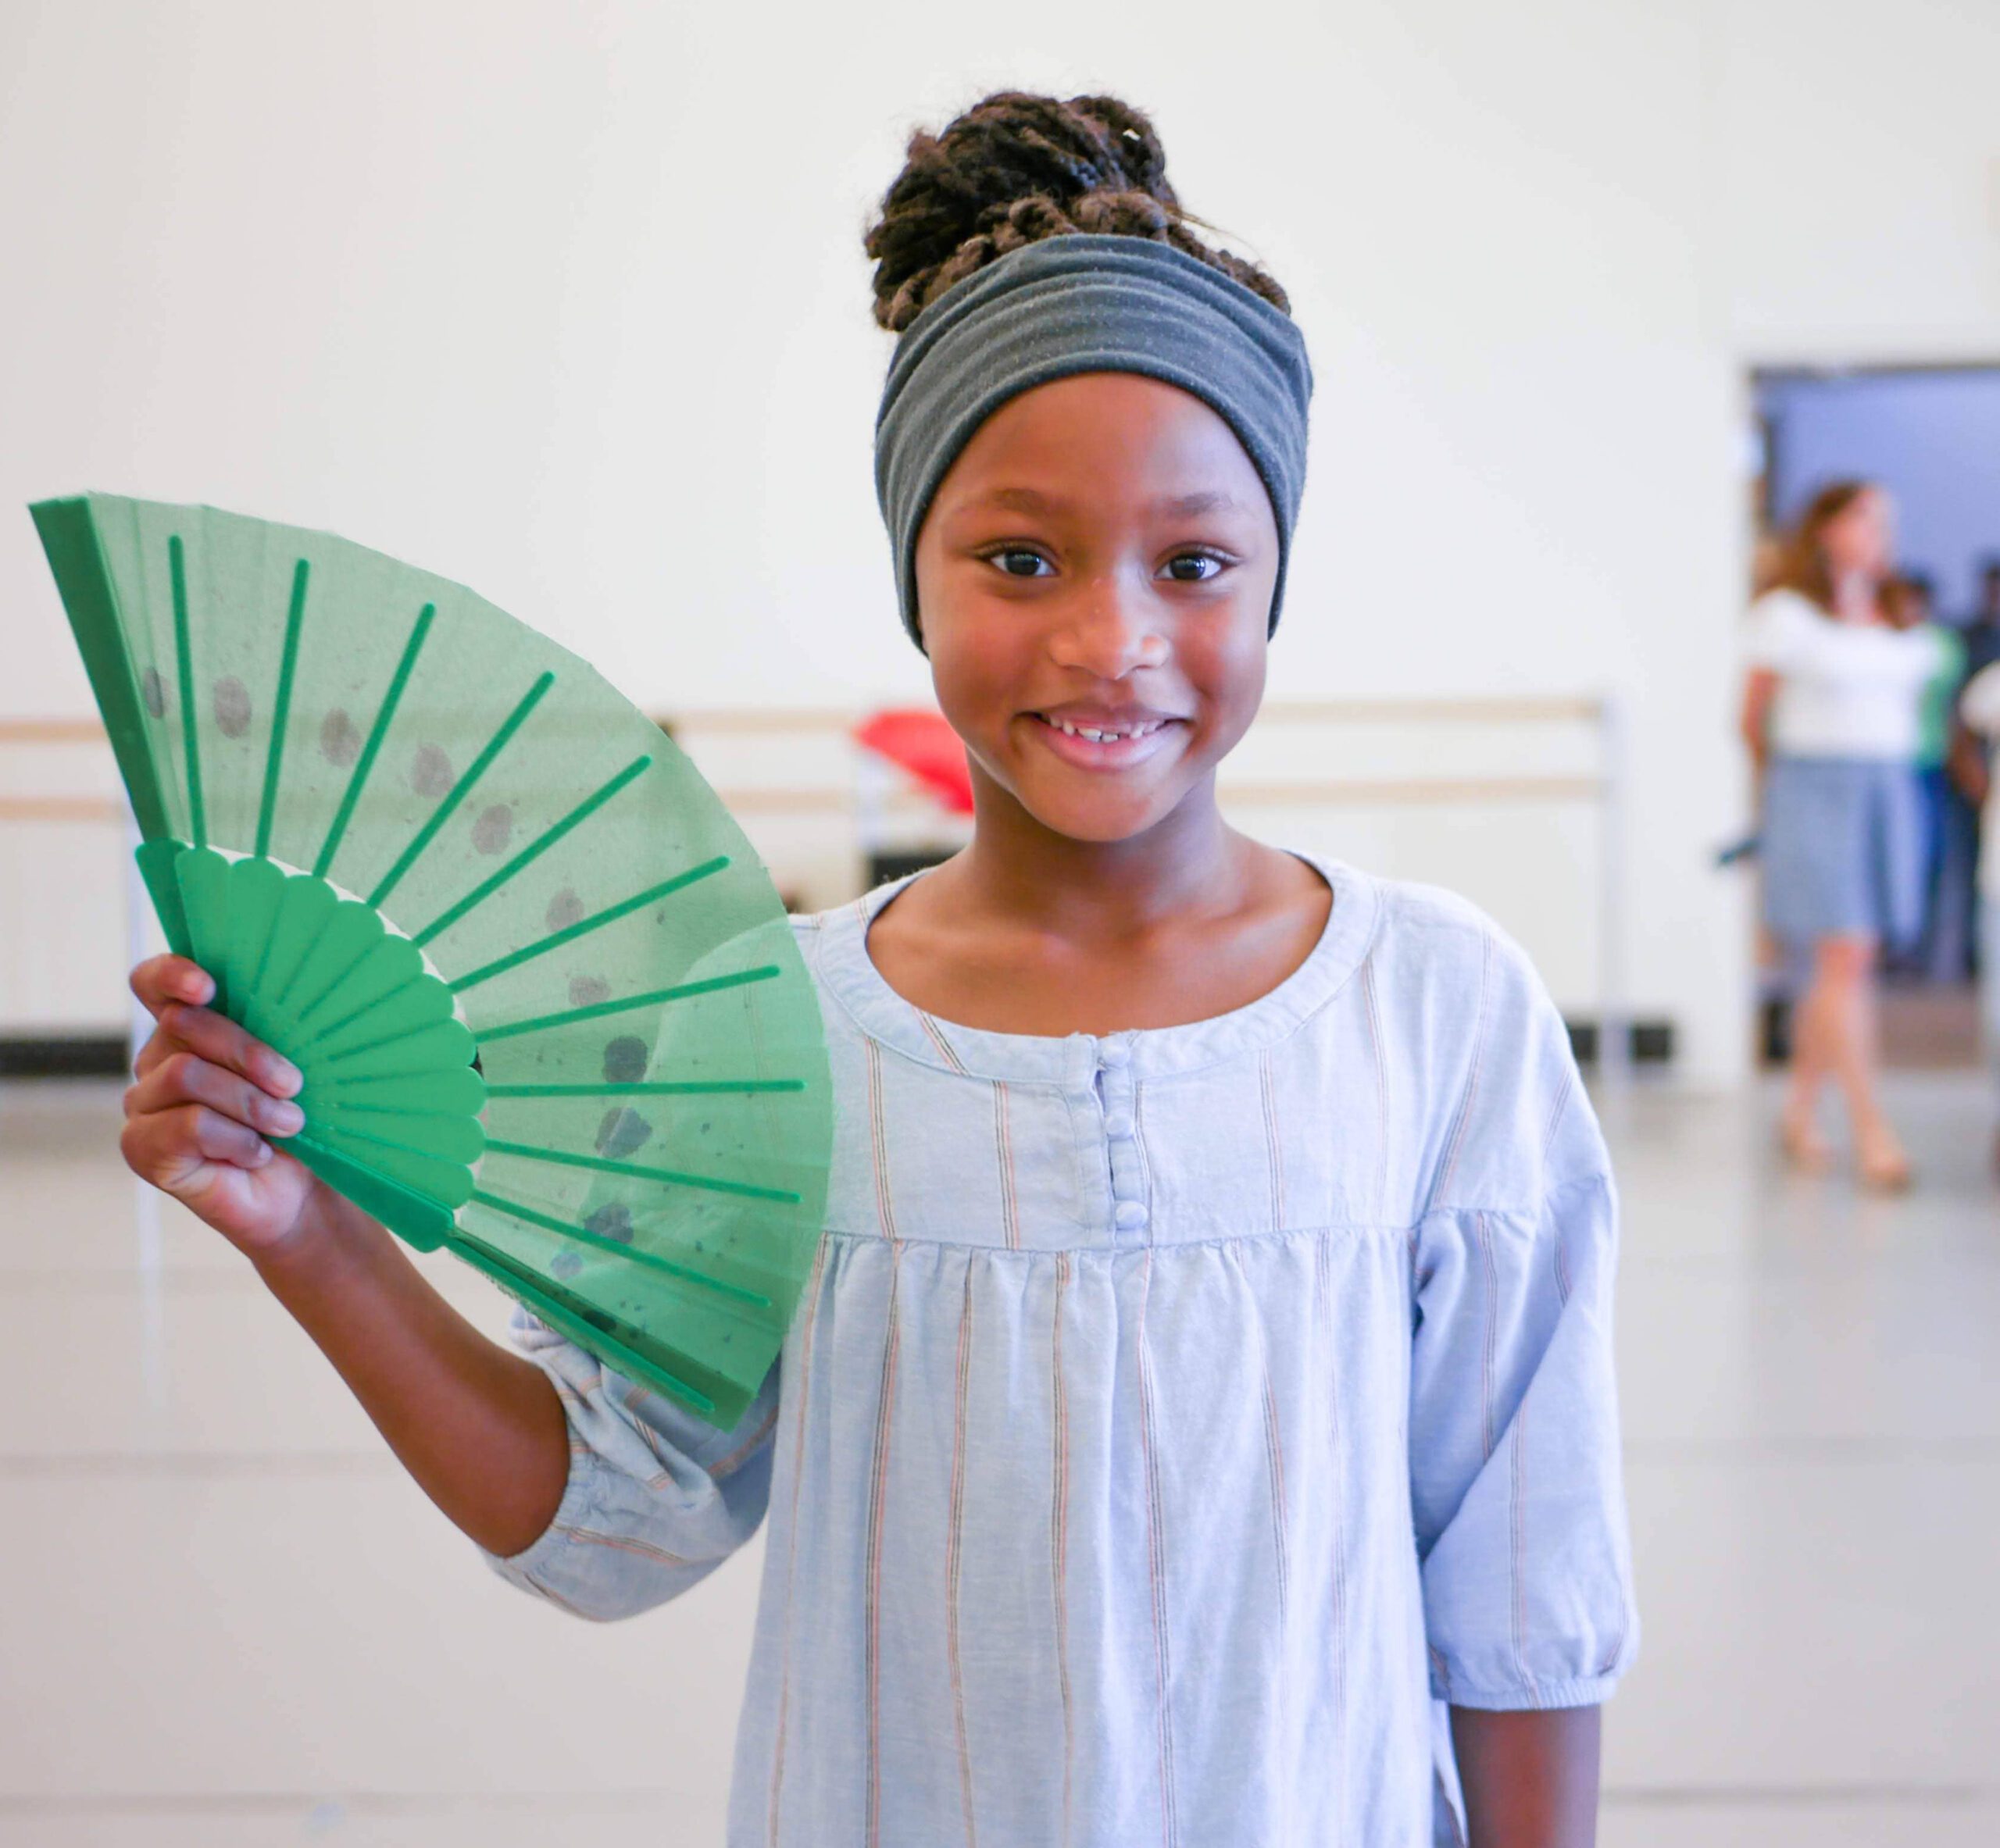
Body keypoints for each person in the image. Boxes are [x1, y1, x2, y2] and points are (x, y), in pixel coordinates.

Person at [112, 92, 1635, 1848]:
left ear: (1274, 576)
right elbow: (608, 1519)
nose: (1108, 637)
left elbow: (1521, 1579)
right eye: (1017, 555)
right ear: (910, 571)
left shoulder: (1434, 1010)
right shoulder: (770, 1031)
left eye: (1193, 561)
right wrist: (308, 1228)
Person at [1740, 483, 1947, 1187]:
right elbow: (1751, 718)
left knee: (1847, 963)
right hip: (1813, 788)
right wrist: (1779, 799)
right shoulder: (1786, 616)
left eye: (1885, 520)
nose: (1879, 532)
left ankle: (1799, 1110)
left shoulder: (1894, 612)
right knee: (1845, 956)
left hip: (1889, 788)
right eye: (1864, 517)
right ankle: (1872, 1130)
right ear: (1826, 526)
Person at [1878, 573, 1966, 979]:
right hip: (1883, 763)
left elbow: (1952, 711)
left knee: (1928, 857)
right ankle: (1886, 948)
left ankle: (1918, 952)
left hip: (1929, 765)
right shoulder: (1873, 642)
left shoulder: (1940, 647)